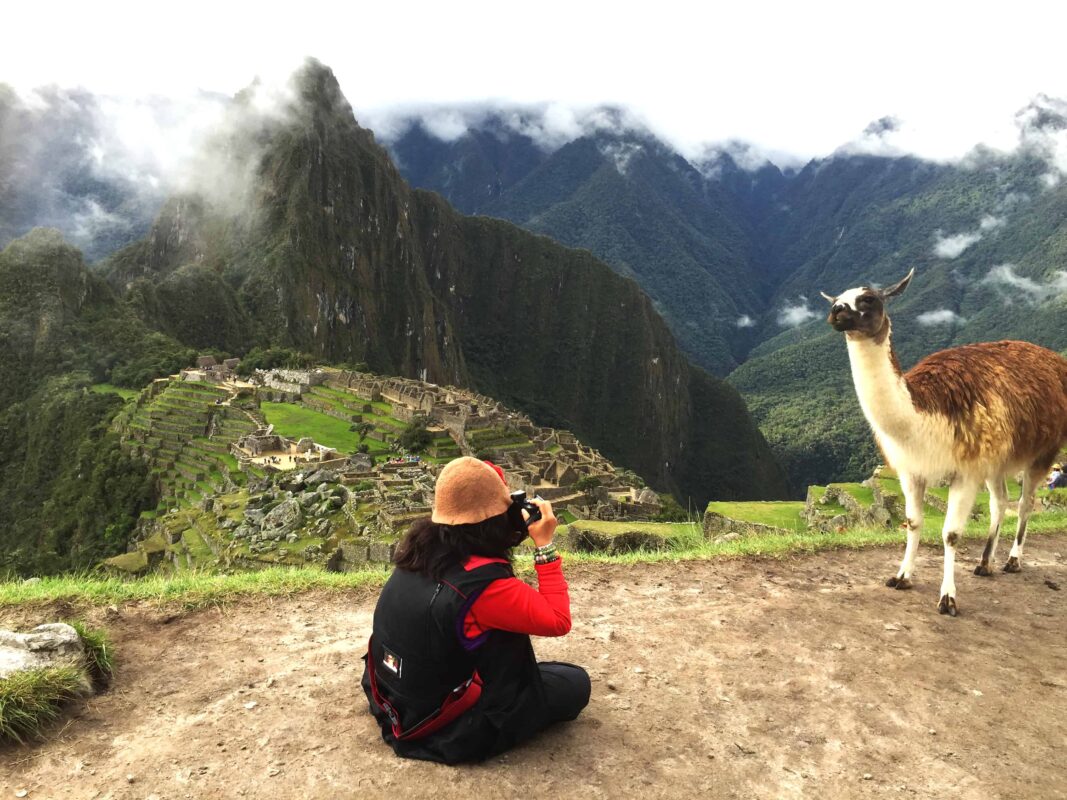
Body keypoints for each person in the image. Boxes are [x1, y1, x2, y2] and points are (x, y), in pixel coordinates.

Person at [361, 456, 590, 764]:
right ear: (494, 522)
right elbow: (559, 620)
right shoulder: (484, 586)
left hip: (392, 696)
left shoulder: (420, 552)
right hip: (444, 724)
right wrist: (544, 546)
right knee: (574, 683)